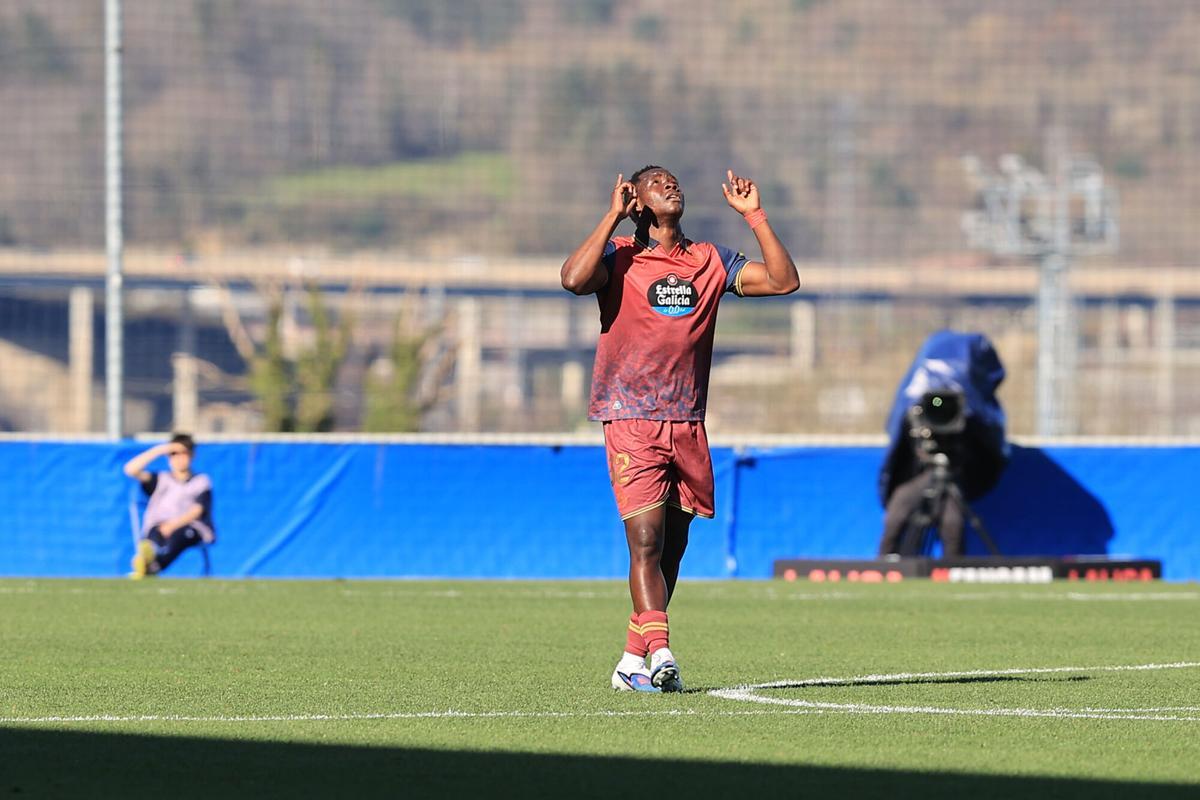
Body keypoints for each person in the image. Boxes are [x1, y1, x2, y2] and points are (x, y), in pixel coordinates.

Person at [562, 166, 800, 693]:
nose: (670, 186)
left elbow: (784, 281)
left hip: (687, 422)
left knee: (671, 549)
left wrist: (754, 216)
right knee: (644, 541)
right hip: (630, 418)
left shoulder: (710, 261)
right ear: (638, 202)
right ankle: (662, 653)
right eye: (656, 183)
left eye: (673, 181)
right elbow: (573, 279)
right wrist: (609, 216)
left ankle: (630, 661)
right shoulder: (620, 255)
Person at [123, 433, 216, 578]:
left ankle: (151, 566)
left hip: (190, 527)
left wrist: (173, 525)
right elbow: (130, 469)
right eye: (174, 454)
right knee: (154, 536)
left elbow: (198, 510)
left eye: (183, 454)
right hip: (158, 527)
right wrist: (160, 449)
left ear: (192, 455)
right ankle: (148, 557)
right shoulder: (160, 479)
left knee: (181, 535)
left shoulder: (201, 481)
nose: (178, 459)